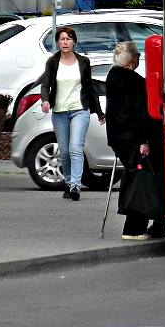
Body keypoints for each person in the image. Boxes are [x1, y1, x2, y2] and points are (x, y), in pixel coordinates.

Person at [105, 41, 165, 240]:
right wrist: (144, 139)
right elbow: (136, 112)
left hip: (118, 137)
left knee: (135, 175)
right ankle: (133, 228)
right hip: (133, 137)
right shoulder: (133, 81)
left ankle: (148, 225)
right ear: (134, 59)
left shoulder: (112, 77)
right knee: (140, 179)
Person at [40, 26, 104, 201]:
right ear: (58, 43)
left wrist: (99, 112)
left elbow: (90, 87)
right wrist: (45, 100)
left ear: (74, 42)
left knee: (76, 148)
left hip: (79, 110)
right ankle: (68, 183)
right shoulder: (53, 62)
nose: (65, 42)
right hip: (59, 111)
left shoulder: (83, 62)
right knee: (65, 151)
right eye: (62, 39)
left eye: (68, 39)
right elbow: (45, 85)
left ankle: (75, 185)